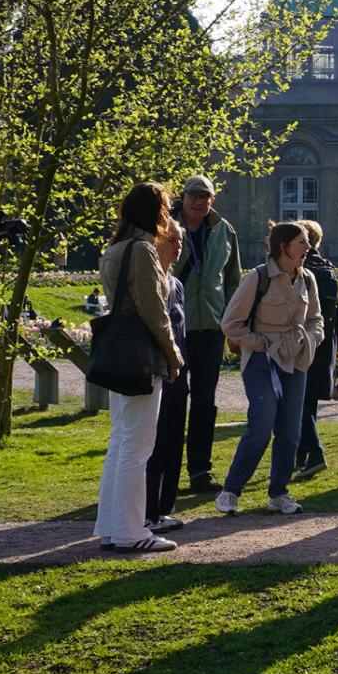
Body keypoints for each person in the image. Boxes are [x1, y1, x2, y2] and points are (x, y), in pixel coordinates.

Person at [92, 184, 187, 553]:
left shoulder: (115, 248)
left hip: (120, 351)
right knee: (137, 445)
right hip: (142, 356)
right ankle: (131, 531)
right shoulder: (144, 249)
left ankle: (113, 527)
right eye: (165, 206)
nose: (169, 213)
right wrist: (174, 357)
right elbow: (153, 311)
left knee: (121, 441)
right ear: (154, 211)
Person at [215, 222, 324, 515]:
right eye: (302, 242)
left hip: (295, 361)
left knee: (290, 430)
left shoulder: (308, 279)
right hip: (261, 363)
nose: (308, 248)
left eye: (307, 242)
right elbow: (230, 324)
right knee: (262, 425)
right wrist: (259, 344)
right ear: (283, 247)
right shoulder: (257, 278)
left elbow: (316, 320)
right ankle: (230, 491)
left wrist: (308, 341)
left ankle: (279, 494)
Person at [173, 177, 244, 495]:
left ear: (212, 201)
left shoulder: (224, 230)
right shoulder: (166, 227)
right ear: (183, 197)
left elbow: (233, 282)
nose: (199, 202)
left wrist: (232, 325)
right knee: (172, 403)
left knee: (205, 403)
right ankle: (167, 470)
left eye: (205, 197)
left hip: (212, 330)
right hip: (176, 328)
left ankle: (200, 471)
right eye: (193, 196)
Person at [142, 216, 193, 535]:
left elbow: (180, 332)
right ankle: (147, 511)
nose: (178, 247)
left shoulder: (176, 284)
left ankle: (164, 508)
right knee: (153, 444)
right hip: (158, 372)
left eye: (180, 241)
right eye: (171, 240)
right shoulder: (150, 281)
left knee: (175, 441)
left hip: (179, 373)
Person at [293, 219, 338, 483]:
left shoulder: (300, 269)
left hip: (301, 342)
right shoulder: (328, 269)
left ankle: (314, 452)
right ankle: (300, 455)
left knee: (296, 400)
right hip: (323, 344)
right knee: (308, 400)